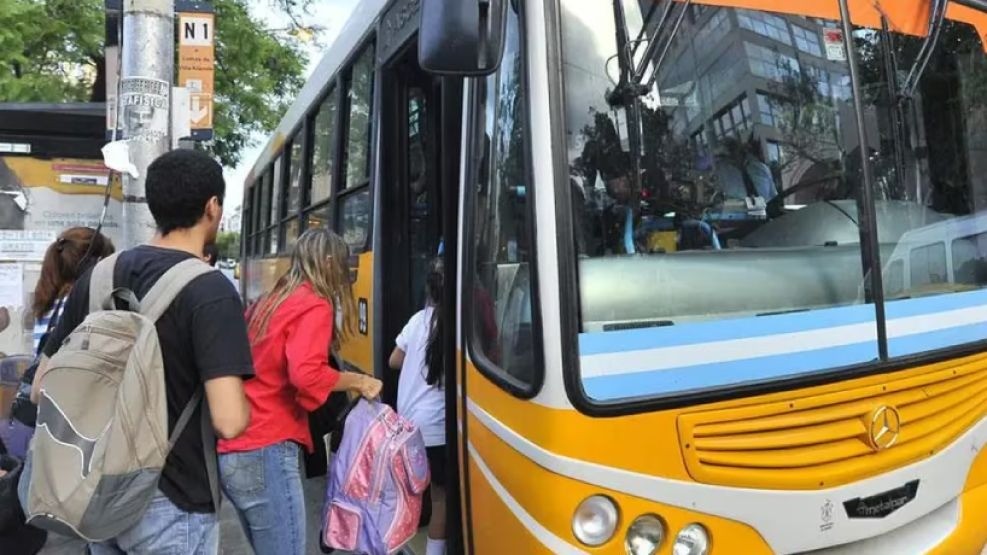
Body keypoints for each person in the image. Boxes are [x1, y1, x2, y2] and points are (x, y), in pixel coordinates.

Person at [31, 149, 254, 554]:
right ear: (212, 207)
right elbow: (230, 420)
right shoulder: (210, 290)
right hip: (175, 498)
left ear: (154, 204)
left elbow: (40, 387)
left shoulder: (97, 277)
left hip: (98, 489)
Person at [218, 228, 383, 555]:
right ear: (326, 262)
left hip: (236, 450)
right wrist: (359, 381)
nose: (346, 273)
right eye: (343, 264)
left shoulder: (272, 300)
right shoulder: (314, 304)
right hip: (267, 448)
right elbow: (306, 375)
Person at [389, 258, 447, 555]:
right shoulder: (457, 326)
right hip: (436, 432)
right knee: (440, 500)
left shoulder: (416, 320)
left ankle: (395, 546)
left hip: (407, 427)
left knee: (408, 495)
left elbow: (393, 361)